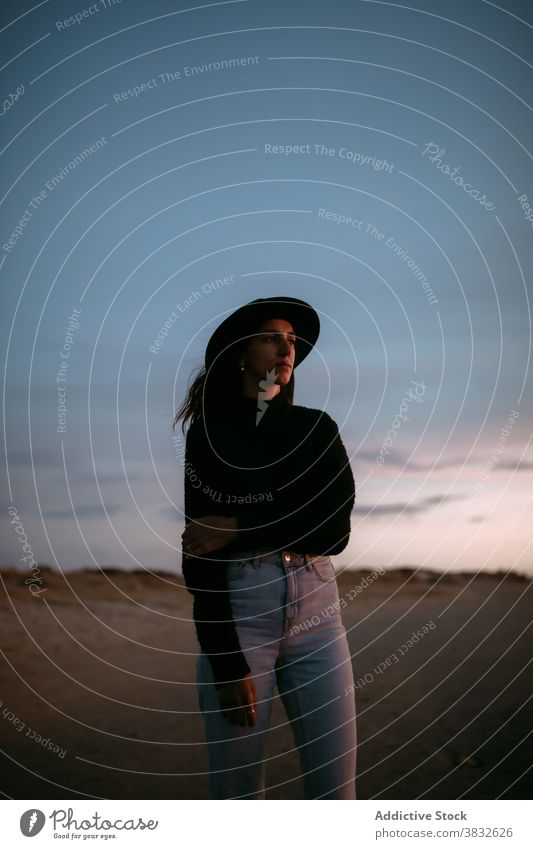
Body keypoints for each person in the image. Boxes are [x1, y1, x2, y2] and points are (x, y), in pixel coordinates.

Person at [174, 296, 357, 799]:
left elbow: (334, 530)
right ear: (241, 353)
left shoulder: (316, 430)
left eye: (292, 341)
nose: (286, 348)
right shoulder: (209, 436)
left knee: (336, 794)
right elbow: (199, 548)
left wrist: (239, 526)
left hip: (319, 614)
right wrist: (225, 659)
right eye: (270, 337)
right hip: (241, 612)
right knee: (237, 797)